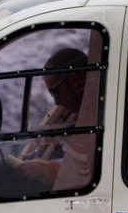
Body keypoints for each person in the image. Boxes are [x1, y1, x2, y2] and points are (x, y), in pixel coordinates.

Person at [12, 47, 94, 192]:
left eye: (55, 92)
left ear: (77, 82)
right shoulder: (84, 116)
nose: (57, 103)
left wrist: (44, 170)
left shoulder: (99, 115)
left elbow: (89, 173)